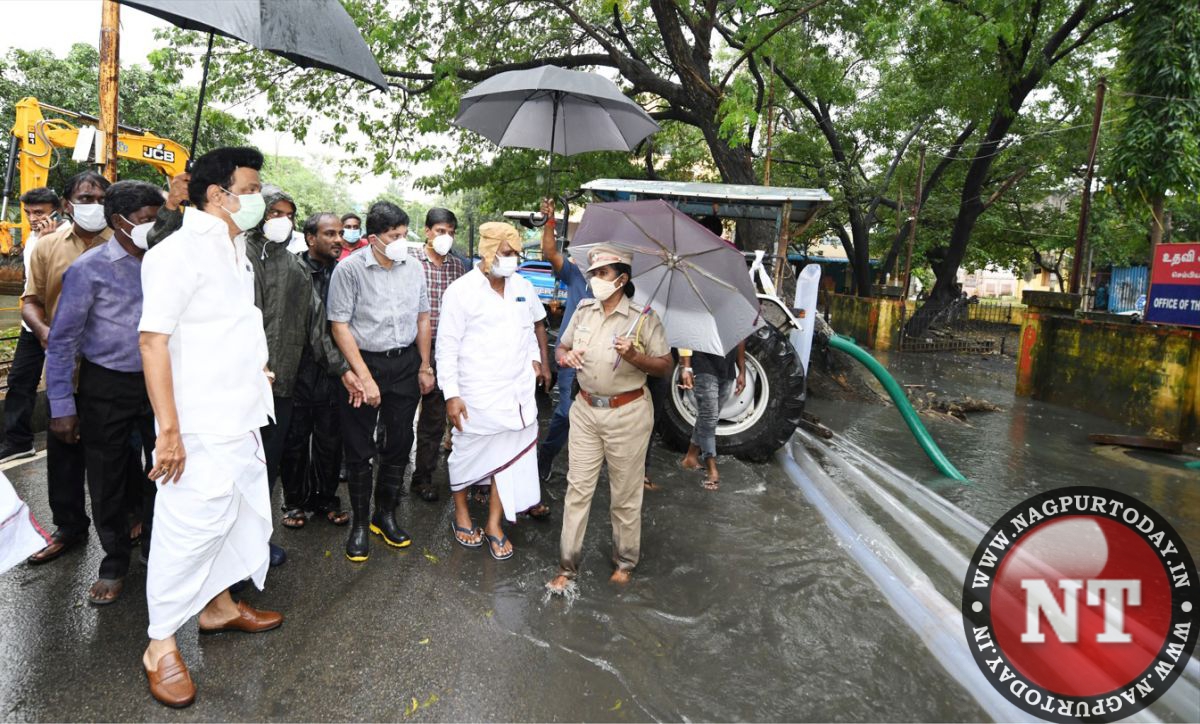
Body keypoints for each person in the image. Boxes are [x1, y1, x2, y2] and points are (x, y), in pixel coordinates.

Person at [137, 147, 283, 708]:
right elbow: (153, 341)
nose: (260, 197)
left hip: (241, 413)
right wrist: (168, 432)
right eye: (251, 187)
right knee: (188, 530)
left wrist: (256, 364)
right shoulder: (176, 254)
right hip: (196, 424)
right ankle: (159, 644)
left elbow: (227, 328)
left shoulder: (237, 249)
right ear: (219, 195)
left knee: (234, 513)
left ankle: (218, 608)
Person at [44, 180, 163, 605]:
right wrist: (61, 406)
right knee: (107, 476)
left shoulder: (165, 263)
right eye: (148, 220)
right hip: (106, 385)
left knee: (167, 470)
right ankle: (114, 560)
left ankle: (157, 547)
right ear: (120, 222)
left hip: (160, 382)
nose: (155, 227)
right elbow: (62, 342)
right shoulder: (88, 269)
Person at [547, 246, 672, 592]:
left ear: (621, 279)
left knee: (625, 495)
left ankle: (625, 561)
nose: (594, 280)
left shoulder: (644, 318)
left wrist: (635, 356)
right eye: (593, 273)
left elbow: (665, 366)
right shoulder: (585, 311)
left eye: (601, 274)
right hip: (586, 411)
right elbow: (560, 348)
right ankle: (567, 566)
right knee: (577, 490)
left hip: (628, 414)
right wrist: (566, 357)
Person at [326, 201, 434, 562]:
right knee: (358, 448)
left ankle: (383, 515)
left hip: (404, 363)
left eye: (405, 234)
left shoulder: (413, 267)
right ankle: (359, 523)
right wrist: (363, 377)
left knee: (401, 442)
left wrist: (424, 365)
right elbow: (339, 325)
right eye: (394, 236)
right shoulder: (349, 269)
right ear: (373, 238)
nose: (402, 242)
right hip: (363, 363)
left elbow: (422, 318)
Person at [437, 222, 545, 558]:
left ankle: (496, 523)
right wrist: (451, 394)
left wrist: (535, 359)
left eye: (515, 253)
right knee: (465, 455)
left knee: (508, 461)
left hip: (518, 396)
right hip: (476, 395)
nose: (512, 259)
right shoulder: (461, 291)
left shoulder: (523, 286)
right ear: (487, 252)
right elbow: (447, 346)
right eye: (505, 253)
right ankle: (462, 514)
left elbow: (530, 330)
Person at [23, 170, 112, 565]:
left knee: (116, 453)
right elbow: (30, 300)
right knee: (63, 451)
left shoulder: (126, 244)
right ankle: (70, 527)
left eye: (99, 199)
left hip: (112, 369)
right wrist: (44, 332)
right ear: (66, 204)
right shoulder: (46, 248)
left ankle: (126, 526)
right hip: (63, 367)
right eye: (84, 198)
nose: (92, 205)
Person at [279, 212, 353, 527]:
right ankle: (294, 502)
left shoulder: (345, 273)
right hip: (297, 369)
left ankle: (326, 499)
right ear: (311, 238)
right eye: (330, 234)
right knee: (294, 442)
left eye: (340, 234)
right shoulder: (292, 269)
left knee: (330, 442)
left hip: (335, 372)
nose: (338, 239)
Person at [410, 207, 467, 503]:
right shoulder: (408, 262)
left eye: (451, 232)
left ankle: (423, 478)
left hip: (443, 352)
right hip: (410, 349)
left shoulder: (458, 268)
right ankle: (387, 473)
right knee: (399, 415)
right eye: (440, 231)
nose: (446, 237)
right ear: (427, 232)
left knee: (433, 419)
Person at [0, 187, 61, 463]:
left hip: (60, 326)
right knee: (20, 381)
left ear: (56, 211)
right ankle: (19, 441)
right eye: (28, 213)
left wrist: (49, 243)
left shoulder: (65, 238)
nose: (33, 218)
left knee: (65, 383)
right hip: (32, 324)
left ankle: (69, 439)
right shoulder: (31, 240)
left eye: (40, 212)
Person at [535, 198, 591, 487]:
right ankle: (545, 458)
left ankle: (584, 471)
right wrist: (550, 221)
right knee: (567, 413)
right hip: (572, 358)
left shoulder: (626, 285)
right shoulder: (576, 272)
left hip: (605, 363)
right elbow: (549, 252)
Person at [678, 343, 746, 490]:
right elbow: (688, 335)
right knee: (709, 417)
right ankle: (711, 468)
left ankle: (690, 457)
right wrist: (686, 367)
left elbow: (741, 338)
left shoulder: (736, 319)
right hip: (703, 364)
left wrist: (742, 371)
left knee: (707, 416)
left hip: (727, 369)